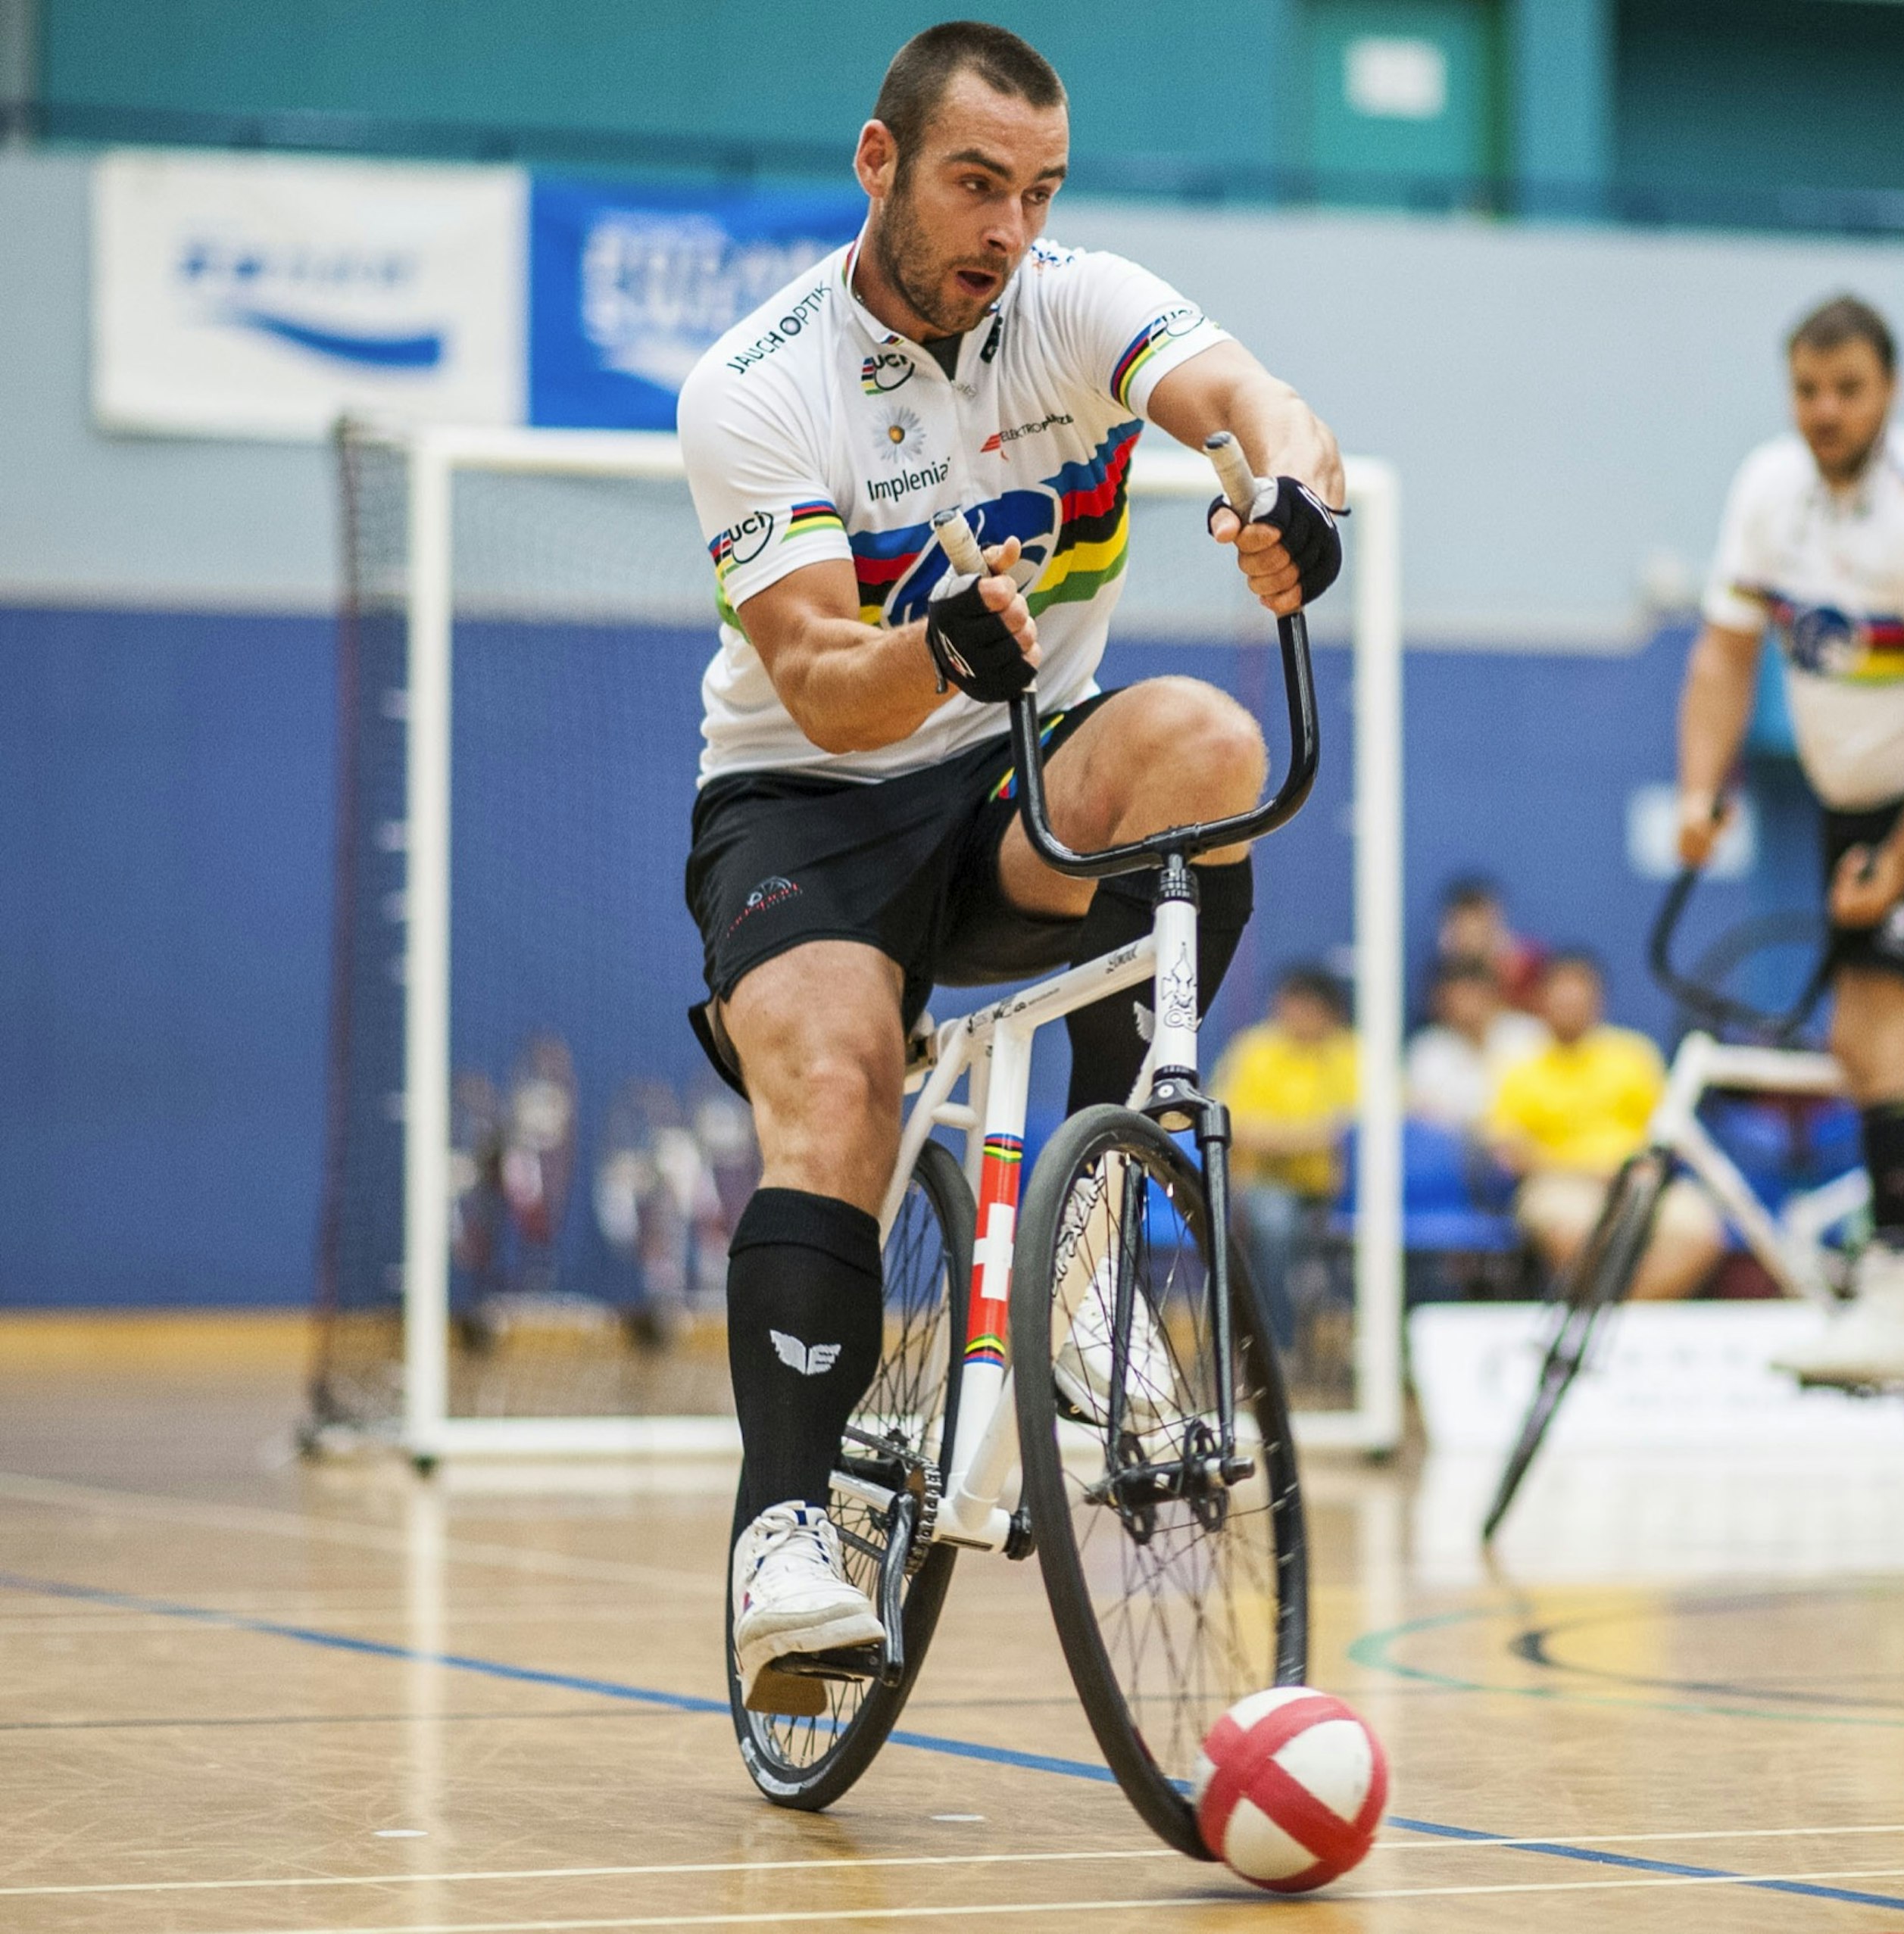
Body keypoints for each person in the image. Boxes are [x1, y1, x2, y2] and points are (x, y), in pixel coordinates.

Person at [675, 23, 1347, 1705]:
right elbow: (825, 685)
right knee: (832, 1087)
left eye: (1038, 191)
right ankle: (780, 1541)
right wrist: (946, 657)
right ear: (880, 163)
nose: (1009, 228)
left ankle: (1091, 1252)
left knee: (1204, 739)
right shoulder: (755, 387)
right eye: (978, 183)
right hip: (807, 803)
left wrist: (1288, 491)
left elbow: (1251, 399)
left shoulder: (1074, 302)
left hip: (1018, 785)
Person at [1674, 295, 1904, 1386]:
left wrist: (1897, 862)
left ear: (1889, 391)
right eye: (1808, 390)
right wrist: (1702, 788)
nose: (1825, 411)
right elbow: (1724, 656)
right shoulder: (1767, 491)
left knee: (1868, 1032)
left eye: (1848, 390)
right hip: (1855, 796)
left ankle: (1897, 1292)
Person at [1487, 954, 1725, 1300]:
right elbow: (1510, 1155)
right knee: (1569, 1229)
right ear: (1541, 1001)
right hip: (1559, 1186)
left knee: (1699, 1230)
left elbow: (1669, 1134)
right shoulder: (1519, 1068)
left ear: (1598, 1001)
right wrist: (1588, 1170)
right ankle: (1604, 1314)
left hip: (1637, 1183)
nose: (1570, 1007)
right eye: (1561, 998)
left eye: (1579, 998)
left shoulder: (1634, 1055)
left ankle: (1626, 1316)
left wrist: (1640, 1170)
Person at [1212, 966, 1359, 1347]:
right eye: (1290, 1005)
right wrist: (1312, 1136)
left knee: (1381, 1226)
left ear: (1330, 1013)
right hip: (1265, 1183)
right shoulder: (1254, 1051)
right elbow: (1230, 1125)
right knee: (1273, 1224)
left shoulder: (1352, 1055)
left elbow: (1368, 1127)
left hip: (1339, 1188)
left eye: (1308, 1008)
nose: (1295, 1015)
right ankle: (1276, 1344)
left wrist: (1281, 1136)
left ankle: (1374, 1346)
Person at [1403, 956, 1545, 1135]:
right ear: (1443, 1002)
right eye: (1460, 996)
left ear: (1494, 995)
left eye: (1476, 994)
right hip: (1457, 1152)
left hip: (1527, 1146)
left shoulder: (1530, 1036)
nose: (1469, 1005)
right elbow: (1425, 1119)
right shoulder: (1428, 1051)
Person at [1435, 877, 1545, 1010]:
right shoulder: (1442, 976)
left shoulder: (1528, 964)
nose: (1472, 932)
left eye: (1479, 922)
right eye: (1464, 924)